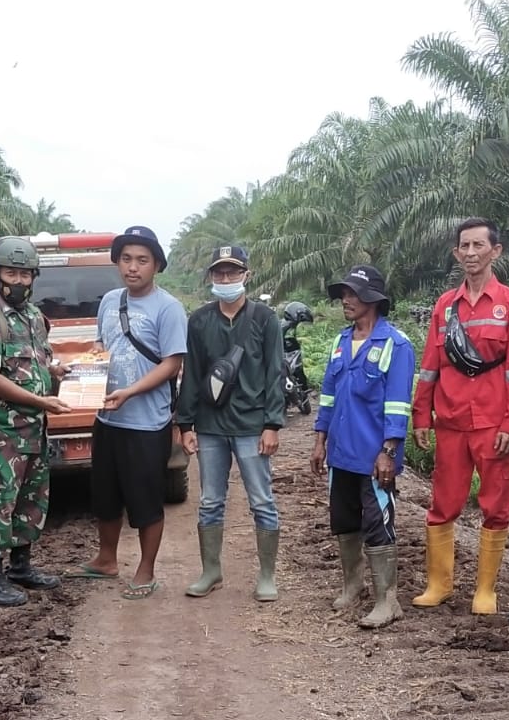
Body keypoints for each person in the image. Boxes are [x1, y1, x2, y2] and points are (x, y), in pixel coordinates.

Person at [411, 218, 509, 615]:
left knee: (496, 504)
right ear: (456, 253)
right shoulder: (445, 306)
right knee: (443, 502)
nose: (471, 252)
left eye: (479, 245)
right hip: (450, 419)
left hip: (494, 423)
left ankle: (485, 589)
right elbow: (431, 363)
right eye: (464, 246)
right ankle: (439, 583)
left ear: (495, 251)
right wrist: (421, 414)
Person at [73, 226, 187, 599]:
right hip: (107, 419)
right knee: (105, 495)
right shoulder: (109, 301)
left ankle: (145, 569)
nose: (132, 267)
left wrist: (130, 392)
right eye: (126, 259)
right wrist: (83, 373)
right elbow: (100, 346)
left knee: (145, 497)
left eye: (142, 260)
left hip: (147, 422)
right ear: (117, 263)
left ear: (156, 265)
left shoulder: (168, 308)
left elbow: (171, 364)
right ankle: (106, 560)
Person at [311, 265, 417, 630]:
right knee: (344, 521)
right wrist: (319, 438)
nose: (345, 300)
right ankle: (352, 584)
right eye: (343, 293)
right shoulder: (341, 342)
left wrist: (388, 450)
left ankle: (387, 600)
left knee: (377, 523)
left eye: (353, 294)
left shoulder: (395, 345)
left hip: (374, 457)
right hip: (341, 453)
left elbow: (398, 404)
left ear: (373, 299)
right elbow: (327, 394)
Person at [0, 236, 68, 606]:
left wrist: (56, 371)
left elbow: (38, 363)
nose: (19, 281)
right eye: (12, 273)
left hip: (34, 432)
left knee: (30, 500)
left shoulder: (35, 319)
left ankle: (21, 567)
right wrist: (40, 400)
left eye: (26, 274)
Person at [178, 244, 285, 601]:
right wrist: (185, 424)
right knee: (210, 500)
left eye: (232, 272)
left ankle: (267, 575)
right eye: (219, 273)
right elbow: (191, 374)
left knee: (262, 500)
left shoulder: (265, 319)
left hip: (252, 425)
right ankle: (211, 571)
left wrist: (272, 424)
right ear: (211, 276)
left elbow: (275, 372)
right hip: (210, 426)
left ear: (246, 275)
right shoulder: (199, 321)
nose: (225, 279)